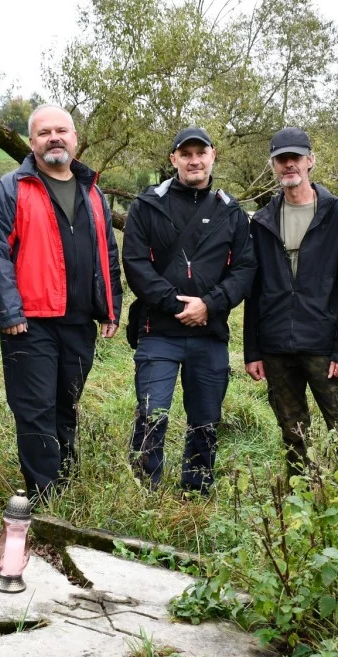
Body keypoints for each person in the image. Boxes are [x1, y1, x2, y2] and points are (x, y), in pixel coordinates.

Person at [0, 104, 122, 502]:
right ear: (32, 142)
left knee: (67, 403)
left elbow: (106, 252)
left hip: (79, 322)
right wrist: (9, 311)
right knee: (35, 409)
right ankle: (44, 498)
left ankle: (63, 483)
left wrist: (110, 306)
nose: (54, 138)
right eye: (44, 133)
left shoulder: (92, 190)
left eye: (62, 130)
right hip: (29, 323)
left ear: (75, 138)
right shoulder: (12, 188)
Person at [121, 127, 255, 495]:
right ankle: (142, 489)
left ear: (213, 156)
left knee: (206, 420)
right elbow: (135, 263)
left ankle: (195, 492)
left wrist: (209, 306)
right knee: (152, 414)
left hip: (209, 335)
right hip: (158, 332)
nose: (194, 160)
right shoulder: (148, 205)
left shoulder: (231, 212)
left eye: (201, 153)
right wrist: (174, 304)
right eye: (186, 154)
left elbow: (245, 269)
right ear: (173, 160)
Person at [243, 126, 338, 478]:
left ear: (310, 161)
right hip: (276, 344)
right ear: (273, 166)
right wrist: (253, 350)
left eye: (295, 158)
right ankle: (299, 499)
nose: (289, 165)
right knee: (292, 430)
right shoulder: (262, 221)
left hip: (324, 344)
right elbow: (255, 290)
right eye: (281, 160)